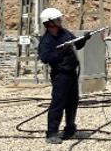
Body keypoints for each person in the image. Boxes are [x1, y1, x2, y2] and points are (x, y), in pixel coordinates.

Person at [37, 8, 86, 144]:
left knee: (72, 102)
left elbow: (77, 44)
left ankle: (70, 128)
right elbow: (45, 57)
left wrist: (84, 40)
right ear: (50, 23)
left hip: (71, 73)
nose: (60, 21)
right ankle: (52, 133)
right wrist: (61, 52)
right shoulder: (47, 40)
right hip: (60, 75)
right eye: (57, 19)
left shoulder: (64, 33)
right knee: (58, 103)